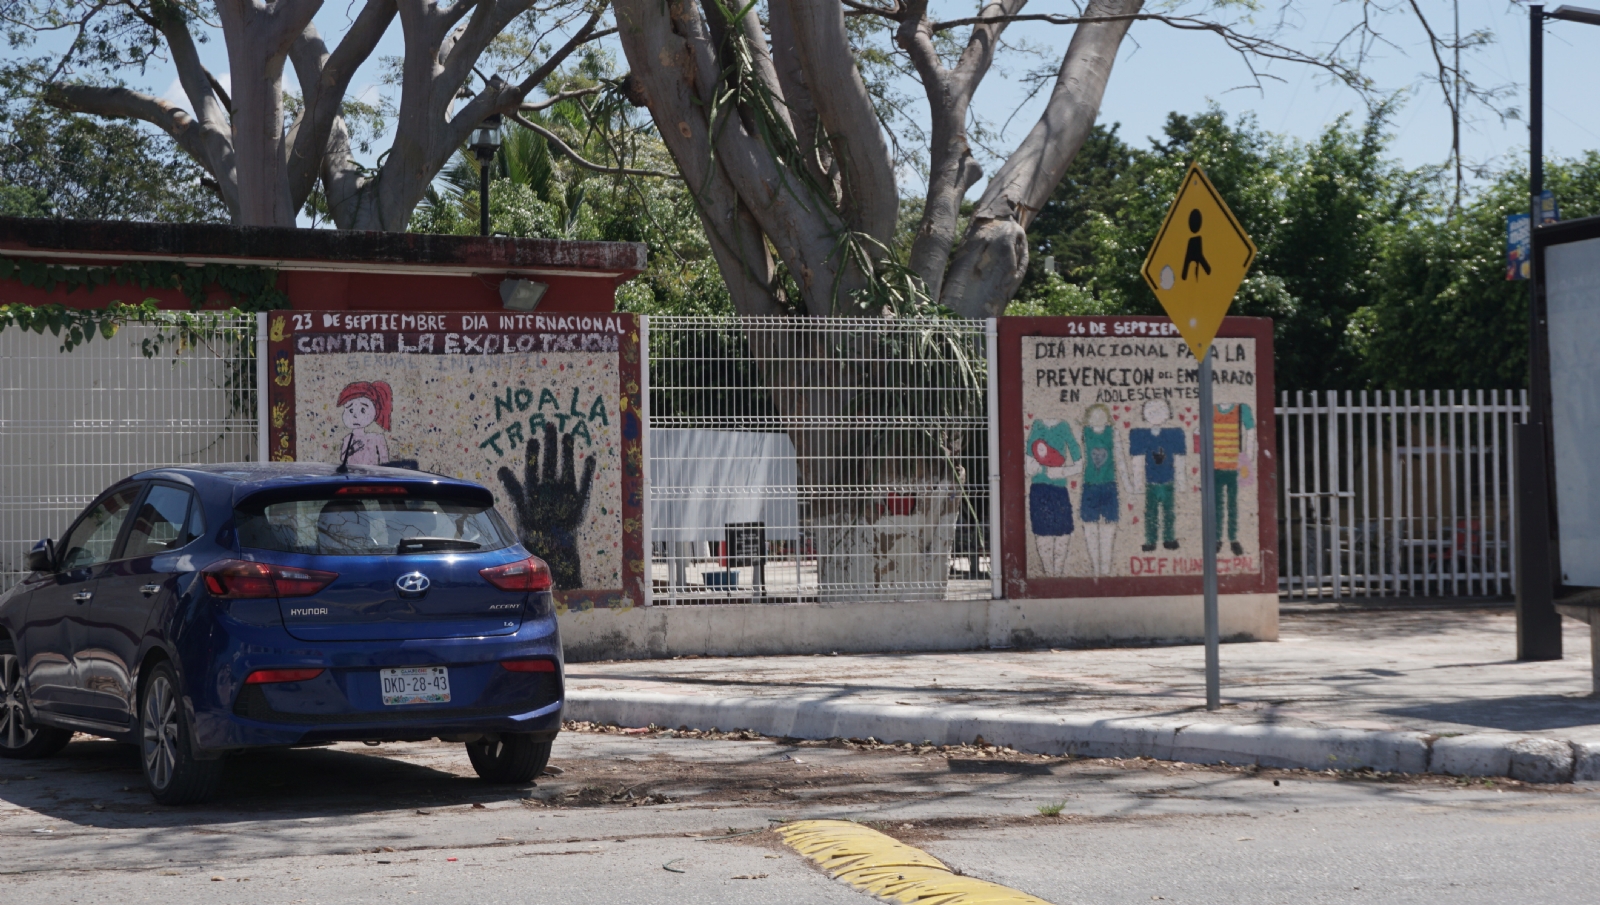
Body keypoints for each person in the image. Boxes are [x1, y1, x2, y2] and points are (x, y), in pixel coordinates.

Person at [1078, 404, 1133, 577]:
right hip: (1089, 487)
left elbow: (1120, 460)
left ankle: (1106, 569)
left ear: (1107, 416)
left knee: (1109, 531)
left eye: (1101, 414)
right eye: (1093, 414)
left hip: (1110, 486)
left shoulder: (1113, 433)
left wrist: (1128, 485)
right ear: (1088, 417)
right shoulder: (1084, 433)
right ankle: (1095, 568)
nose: (1098, 417)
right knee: (1090, 529)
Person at [1025, 417, 1083, 576]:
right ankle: (1049, 574)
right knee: (1042, 533)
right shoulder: (1037, 426)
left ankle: (1057, 574)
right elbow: (1029, 463)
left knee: (1063, 532)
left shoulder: (1064, 427)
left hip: (1059, 489)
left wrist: (1063, 472)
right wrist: (1037, 468)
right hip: (1038, 489)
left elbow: (1079, 463)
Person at [1128, 399, 1187, 552]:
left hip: (1168, 481)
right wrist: (1138, 483)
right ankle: (1150, 540)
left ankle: (1168, 538)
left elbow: (1180, 459)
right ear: (1144, 415)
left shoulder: (1174, 434)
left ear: (1168, 413)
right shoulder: (1140, 435)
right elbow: (1138, 460)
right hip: (1150, 483)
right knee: (1151, 513)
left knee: (1169, 511)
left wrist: (1181, 482)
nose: (1156, 414)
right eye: (1151, 411)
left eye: (1161, 410)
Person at [1211, 401, 1256, 556]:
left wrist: (1248, 457)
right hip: (1215, 467)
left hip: (1234, 466)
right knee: (1217, 505)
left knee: (1232, 505)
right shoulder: (1210, 409)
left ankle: (1233, 538)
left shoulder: (1242, 409)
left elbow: (1250, 431)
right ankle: (1217, 538)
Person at [336, 380, 393, 466]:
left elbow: (385, 460)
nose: (355, 416)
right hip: (352, 476)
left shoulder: (377, 438)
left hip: (372, 477)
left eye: (363, 410)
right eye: (350, 410)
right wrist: (352, 449)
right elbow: (343, 458)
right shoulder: (348, 439)